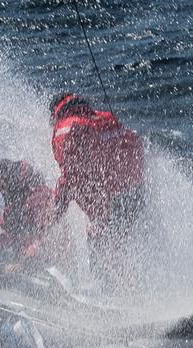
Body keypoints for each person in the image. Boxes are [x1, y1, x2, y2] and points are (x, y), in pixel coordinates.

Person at [48, 92, 145, 269]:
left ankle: (105, 292)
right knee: (121, 242)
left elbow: (71, 174)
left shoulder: (68, 128)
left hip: (111, 199)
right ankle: (136, 283)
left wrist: (57, 208)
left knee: (100, 242)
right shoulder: (106, 118)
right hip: (136, 190)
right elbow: (136, 144)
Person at [0, 159, 56, 262]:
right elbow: (13, 234)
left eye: (1, 183)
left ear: (9, 178)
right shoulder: (15, 202)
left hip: (53, 263)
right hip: (31, 254)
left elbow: (46, 237)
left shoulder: (39, 198)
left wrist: (23, 261)